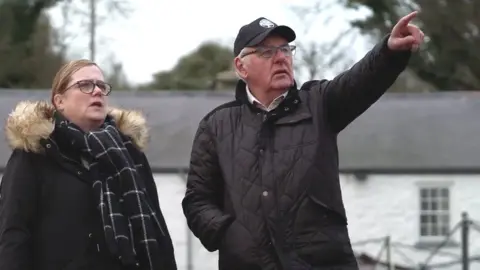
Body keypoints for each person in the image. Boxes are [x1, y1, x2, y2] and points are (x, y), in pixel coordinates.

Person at [182, 12, 424, 270]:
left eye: (285, 49)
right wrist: (230, 234)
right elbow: (197, 200)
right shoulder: (216, 126)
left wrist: (389, 51)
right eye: (266, 52)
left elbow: (361, 81)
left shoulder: (319, 103)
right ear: (241, 67)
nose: (281, 58)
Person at [0, 59, 177, 270]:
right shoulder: (34, 154)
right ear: (59, 101)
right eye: (85, 85)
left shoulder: (130, 154)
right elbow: (13, 233)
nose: (97, 92)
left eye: (102, 86)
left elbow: (158, 231)